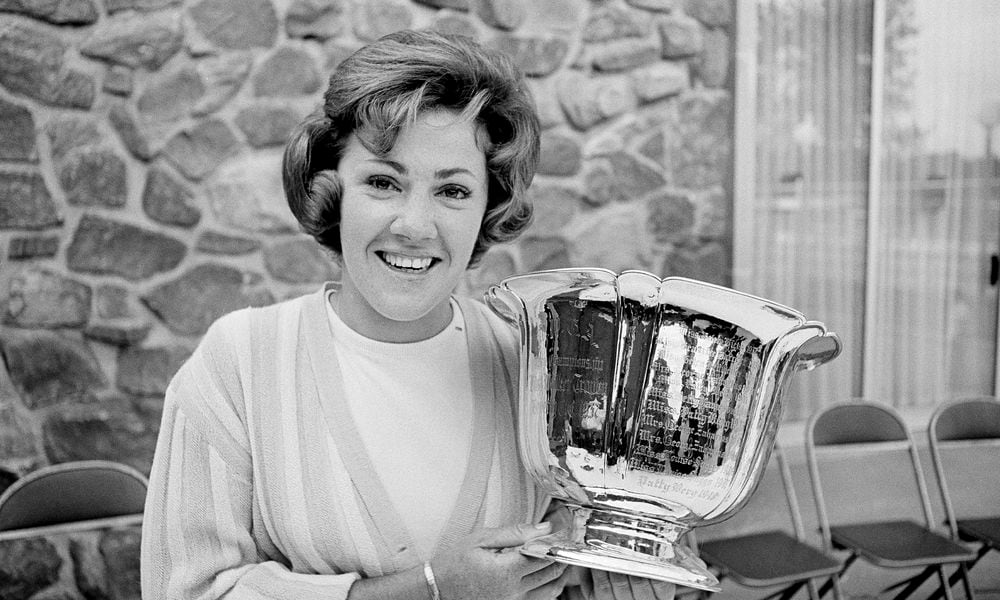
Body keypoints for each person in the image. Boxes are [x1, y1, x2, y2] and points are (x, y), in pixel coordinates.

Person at [140, 29, 676, 600]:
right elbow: (189, 591)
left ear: (488, 209)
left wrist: (623, 574)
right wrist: (427, 590)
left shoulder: (539, 362)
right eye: (382, 182)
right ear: (332, 191)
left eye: (452, 192)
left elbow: (571, 568)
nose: (415, 225)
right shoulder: (239, 364)